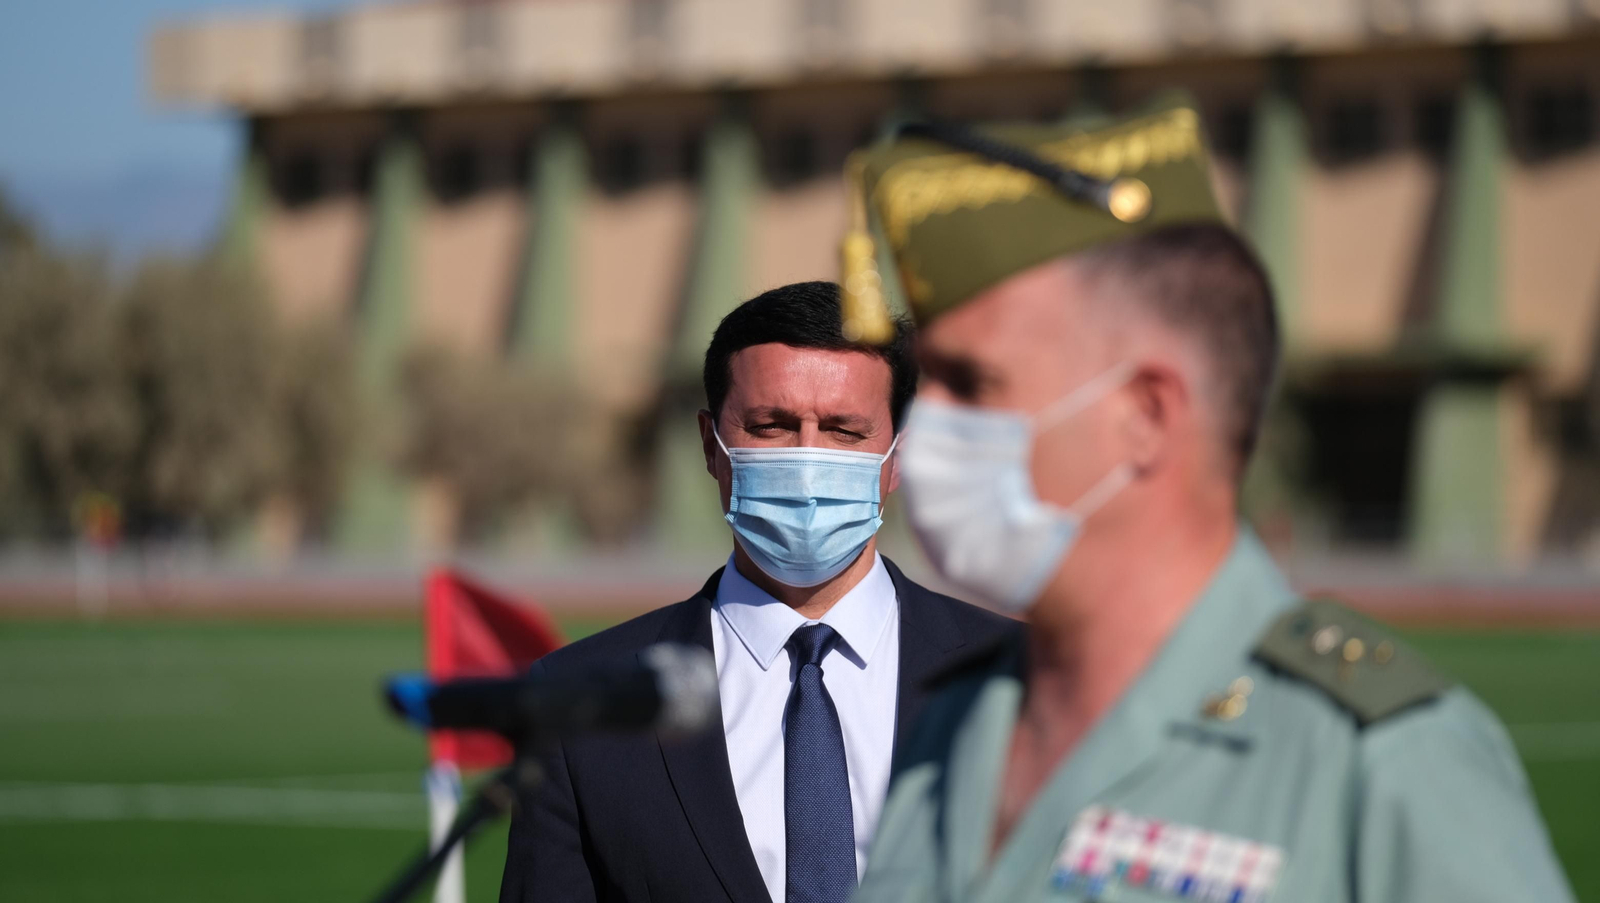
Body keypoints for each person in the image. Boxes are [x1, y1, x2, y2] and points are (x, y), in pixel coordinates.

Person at [840, 96, 1575, 903]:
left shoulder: (1383, 762)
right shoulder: (952, 724)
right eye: (925, 384)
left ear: (1145, 417)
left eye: (972, 384)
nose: (921, 423)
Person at [499, 281, 1016, 903]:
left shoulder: (1027, 678)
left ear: (900, 454)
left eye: (843, 431)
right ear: (711, 445)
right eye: (770, 426)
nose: (806, 459)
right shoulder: (585, 703)